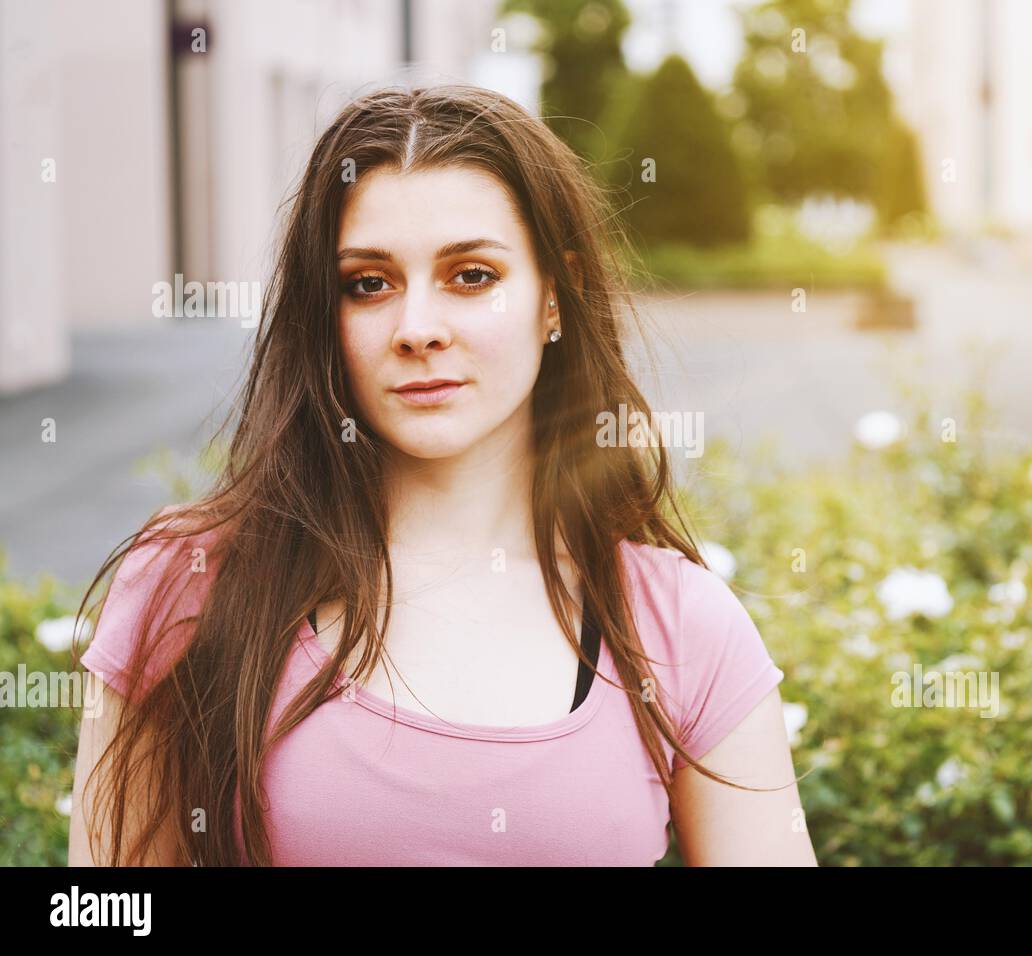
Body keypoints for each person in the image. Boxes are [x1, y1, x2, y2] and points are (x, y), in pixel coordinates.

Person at [68, 84, 816, 866]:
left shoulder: (679, 627)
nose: (417, 329)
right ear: (326, 315)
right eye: (369, 283)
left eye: (472, 276)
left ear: (556, 296)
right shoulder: (191, 582)